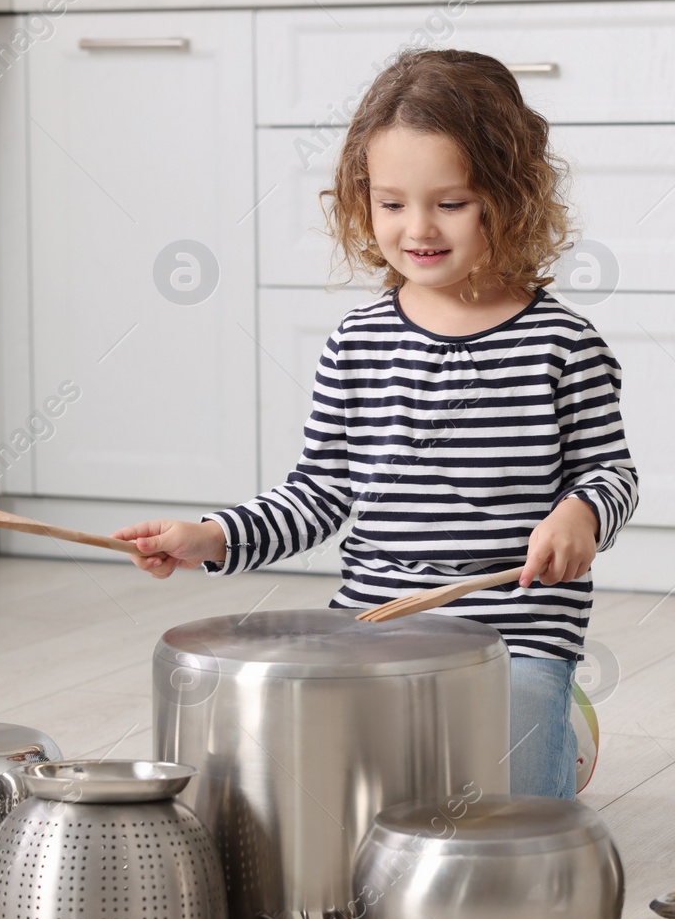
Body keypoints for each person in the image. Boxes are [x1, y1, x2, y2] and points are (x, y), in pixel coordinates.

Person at [113, 48, 639, 799]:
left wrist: (580, 511)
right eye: (392, 203)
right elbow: (319, 492)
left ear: (510, 196)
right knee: (306, 789)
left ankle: (561, 727)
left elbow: (610, 473)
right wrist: (212, 536)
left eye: (450, 203)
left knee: (508, 811)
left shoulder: (562, 344)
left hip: (514, 635)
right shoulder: (356, 344)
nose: (417, 227)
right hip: (375, 626)